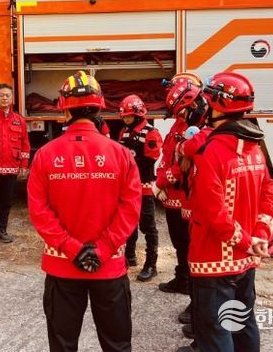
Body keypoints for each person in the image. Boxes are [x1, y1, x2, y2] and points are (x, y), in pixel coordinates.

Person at [28, 70, 142, 352]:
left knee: (63, 345)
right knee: (117, 346)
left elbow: (39, 211)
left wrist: (71, 248)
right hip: (109, 268)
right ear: (99, 108)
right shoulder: (120, 154)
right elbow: (130, 209)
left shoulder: (45, 154)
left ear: (64, 110)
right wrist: (102, 250)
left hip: (62, 267)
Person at [182, 72, 273, 352]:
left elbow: (212, 212)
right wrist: (260, 236)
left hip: (213, 259)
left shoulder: (211, 151)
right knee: (243, 322)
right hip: (247, 259)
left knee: (216, 331)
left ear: (217, 106)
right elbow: (268, 196)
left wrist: (246, 242)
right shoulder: (255, 149)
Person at [154, 74, 209, 297]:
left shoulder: (203, 130)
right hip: (172, 195)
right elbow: (168, 154)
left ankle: (193, 289)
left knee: (190, 245)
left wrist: (162, 181)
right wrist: (161, 181)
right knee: (179, 241)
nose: (180, 116)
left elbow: (186, 165)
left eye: (182, 111)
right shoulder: (180, 124)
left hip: (186, 196)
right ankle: (182, 277)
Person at [117, 94, 162, 282]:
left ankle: (151, 264)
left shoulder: (151, 132)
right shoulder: (124, 131)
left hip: (144, 186)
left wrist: (129, 164)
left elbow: (151, 158)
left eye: (128, 116)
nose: (126, 119)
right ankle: (129, 256)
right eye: (124, 116)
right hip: (128, 186)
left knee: (148, 226)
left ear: (138, 114)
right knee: (128, 224)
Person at [0, 83, 30, 243]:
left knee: (6, 202)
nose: (5, 98)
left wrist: (24, 165)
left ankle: (1, 231)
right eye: (1, 95)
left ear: (12, 98)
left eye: (8, 95)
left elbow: (25, 144)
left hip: (12, 169)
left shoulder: (19, 120)